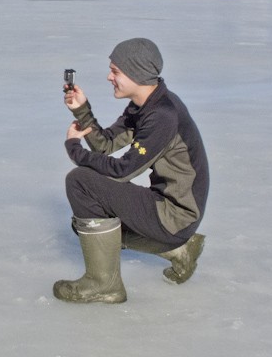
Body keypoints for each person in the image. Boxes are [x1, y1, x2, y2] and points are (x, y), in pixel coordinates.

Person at [54, 38, 209, 304]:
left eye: (115, 71)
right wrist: (82, 111)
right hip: (168, 208)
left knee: (80, 182)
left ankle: (104, 284)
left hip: (176, 215)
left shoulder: (162, 115)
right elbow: (106, 144)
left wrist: (74, 150)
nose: (108, 77)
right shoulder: (145, 105)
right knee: (85, 224)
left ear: (137, 73)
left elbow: (121, 172)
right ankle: (180, 250)